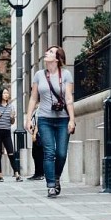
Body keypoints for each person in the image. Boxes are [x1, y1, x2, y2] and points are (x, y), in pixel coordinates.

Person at [26, 45, 76, 198]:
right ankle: (51, 186)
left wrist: (72, 119)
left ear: (57, 58)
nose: (47, 53)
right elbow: (34, 98)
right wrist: (28, 118)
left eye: (51, 52)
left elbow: (68, 98)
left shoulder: (66, 74)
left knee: (61, 153)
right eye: (47, 51)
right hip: (44, 119)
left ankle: (56, 177)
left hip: (62, 119)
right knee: (49, 152)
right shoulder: (39, 75)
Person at [0, 87, 21, 182]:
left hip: (7, 131)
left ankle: (17, 174)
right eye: (4, 93)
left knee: (11, 153)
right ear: (0, 94)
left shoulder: (11, 106)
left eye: (7, 93)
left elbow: (12, 122)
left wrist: (12, 117)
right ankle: (0, 175)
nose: (6, 95)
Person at [28, 110, 45, 181]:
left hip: (39, 134)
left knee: (39, 155)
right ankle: (37, 173)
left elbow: (39, 122)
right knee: (35, 154)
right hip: (36, 133)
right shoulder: (35, 110)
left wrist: (35, 133)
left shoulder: (41, 109)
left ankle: (40, 174)